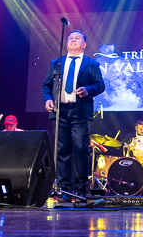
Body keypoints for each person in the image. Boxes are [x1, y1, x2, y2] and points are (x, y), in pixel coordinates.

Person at [42, 30, 106, 198]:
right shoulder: (56, 63)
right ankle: (63, 188)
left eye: (77, 38)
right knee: (62, 150)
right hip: (60, 112)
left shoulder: (91, 64)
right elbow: (46, 86)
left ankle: (80, 188)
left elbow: (100, 85)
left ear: (84, 44)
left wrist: (88, 90)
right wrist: (48, 99)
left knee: (80, 149)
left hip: (80, 112)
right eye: (70, 38)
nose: (73, 40)